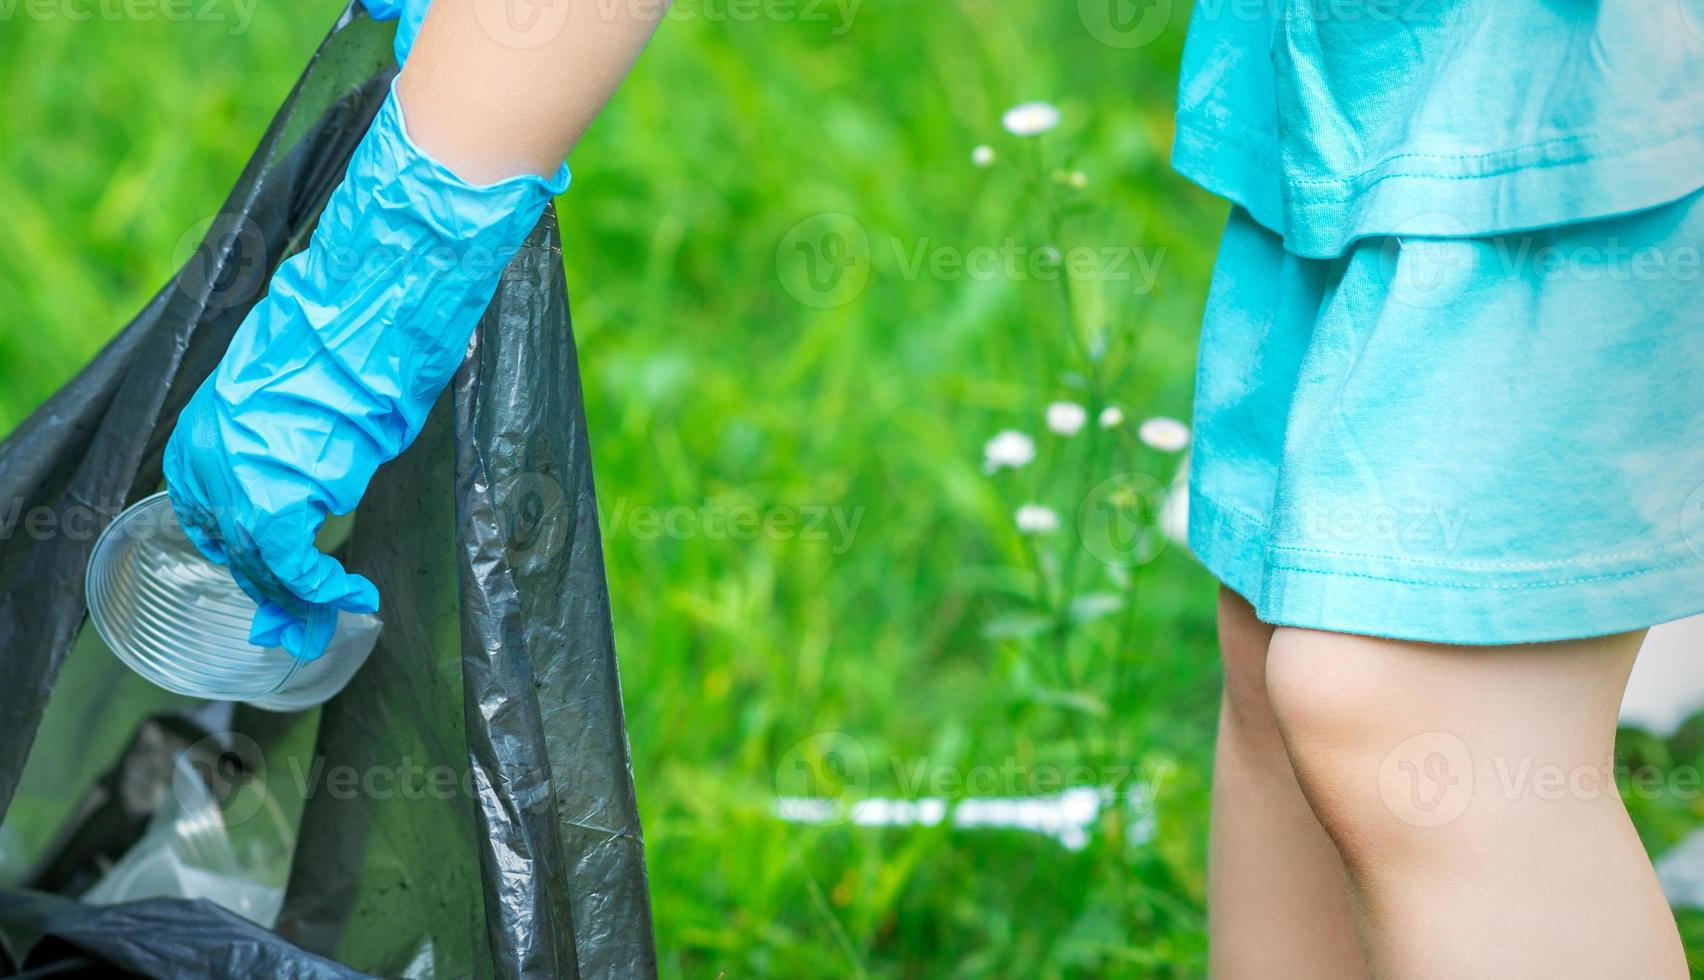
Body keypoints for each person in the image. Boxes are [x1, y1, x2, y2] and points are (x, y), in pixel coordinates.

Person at [164, 2, 1704, 975]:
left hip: (1580, 79)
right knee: (1284, 662)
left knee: (1411, 717)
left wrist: (398, 256)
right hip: (1368, 69)